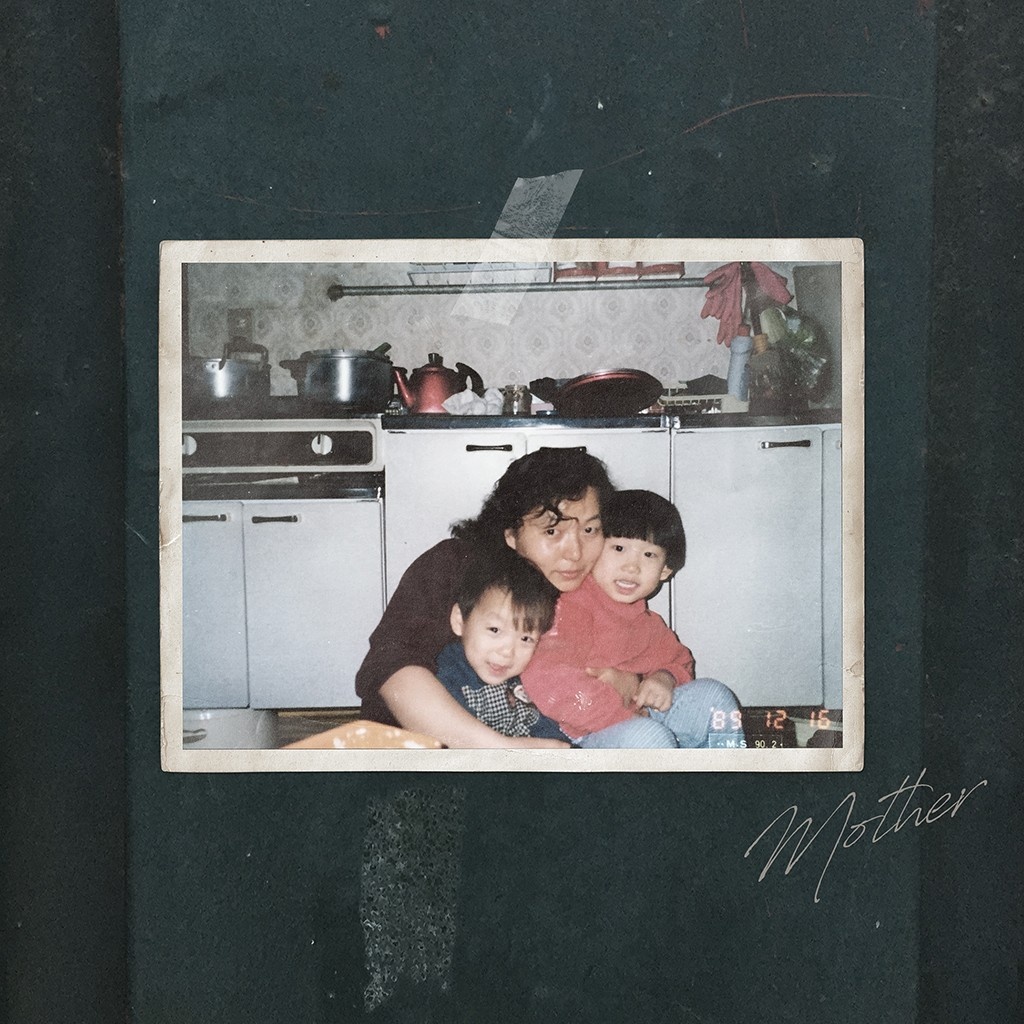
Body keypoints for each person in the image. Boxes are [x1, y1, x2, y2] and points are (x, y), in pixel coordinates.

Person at [355, 447, 613, 748]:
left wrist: (631, 679)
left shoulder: (595, 586)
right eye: (553, 531)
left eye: (590, 529)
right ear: (511, 534)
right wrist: (500, 750)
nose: (576, 553)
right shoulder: (453, 565)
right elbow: (391, 668)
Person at [520, 490, 744, 748]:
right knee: (649, 737)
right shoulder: (572, 607)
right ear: (594, 550)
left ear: (665, 570)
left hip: (638, 717)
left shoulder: (647, 622)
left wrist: (664, 677)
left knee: (714, 697)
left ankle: (727, 771)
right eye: (619, 548)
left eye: (649, 555)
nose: (632, 567)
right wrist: (622, 715)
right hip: (582, 732)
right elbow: (551, 680)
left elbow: (679, 660)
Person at [435, 548, 569, 741]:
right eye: (495, 630)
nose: (507, 652)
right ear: (459, 621)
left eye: (525, 639)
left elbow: (545, 730)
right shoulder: (448, 676)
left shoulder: (520, 681)